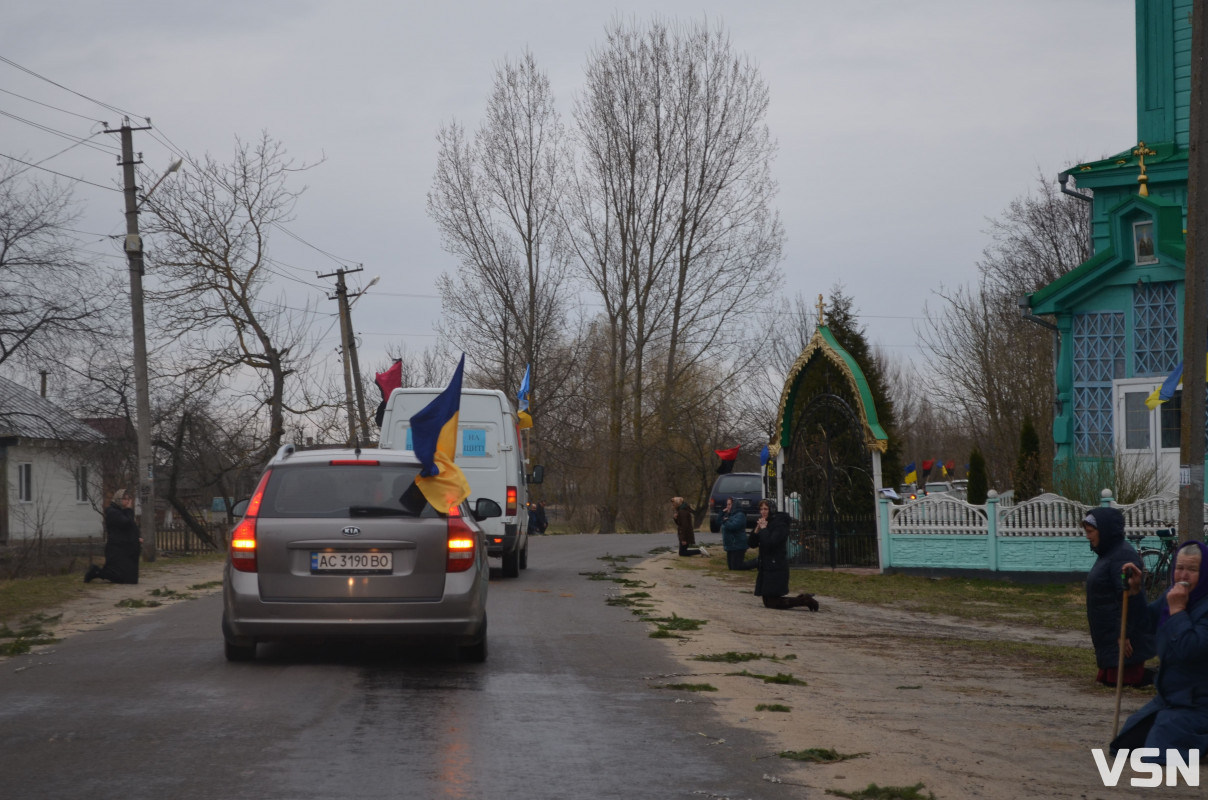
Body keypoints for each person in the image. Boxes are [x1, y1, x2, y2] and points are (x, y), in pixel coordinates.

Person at [1111, 540, 1208, 765]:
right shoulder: (1172, 596)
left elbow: (1190, 649)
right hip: (1169, 699)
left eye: (1192, 570)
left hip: (1198, 703)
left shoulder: (1193, 605)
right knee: (1124, 746)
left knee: (1158, 755)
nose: (1183, 575)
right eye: (1179, 567)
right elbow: (1146, 624)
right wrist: (1135, 593)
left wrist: (1177, 613)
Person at [1083, 507, 1154, 687]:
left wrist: (1125, 633)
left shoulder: (1122, 556)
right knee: (1115, 682)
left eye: (1090, 532)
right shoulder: (1108, 554)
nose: (1087, 536)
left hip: (1122, 637)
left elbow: (1129, 596)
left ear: (1105, 531)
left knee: (1130, 680)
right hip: (1110, 635)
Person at [747, 499, 817, 610]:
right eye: (761, 509)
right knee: (769, 601)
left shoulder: (780, 524)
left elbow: (771, 543)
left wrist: (764, 529)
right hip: (766, 566)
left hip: (776, 565)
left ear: (771, 509)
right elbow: (752, 544)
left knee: (772, 602)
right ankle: (803, 599)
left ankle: (804, 600)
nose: (763, 512)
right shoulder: (765, 522)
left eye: (766, 509)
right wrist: (756, 530)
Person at [84, 488, 143, 584]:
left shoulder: (121, 511)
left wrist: (136, 538)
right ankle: (95, 572)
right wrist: (128, 509)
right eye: (125, 499)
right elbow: (126, 523)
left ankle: (97, 572)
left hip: (123, 547)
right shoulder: (113, 512)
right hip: (116, 548)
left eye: (128, 499)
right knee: (116, 574)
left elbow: (129, 528)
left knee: (127, 577)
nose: (127, 501)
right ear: (118, 499)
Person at [720, 497, 756, 570]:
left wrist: (725, 521)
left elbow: (733, 526)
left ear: (734, 505)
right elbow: (719, 521)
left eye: (729, 504)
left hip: (738, 544)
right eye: (727, 504)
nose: (727, 506)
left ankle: (757, 562)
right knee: (732, 568)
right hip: (730, 545)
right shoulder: (728, 515)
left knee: (737, 567)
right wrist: (722, 513)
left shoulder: (740, 515)